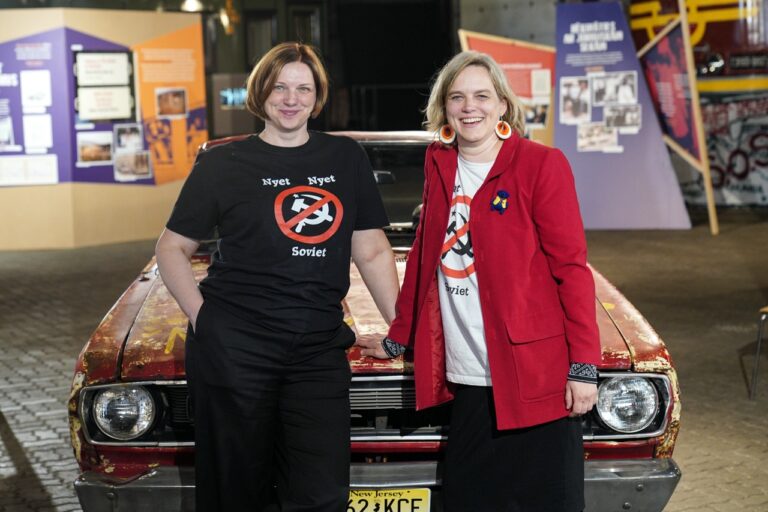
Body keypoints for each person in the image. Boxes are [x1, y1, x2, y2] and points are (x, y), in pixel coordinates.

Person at [155, 42, 399, 512]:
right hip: (236, 347)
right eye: (280, 87)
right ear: (261, 92)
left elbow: (370, 250)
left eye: (303, 88)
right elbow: (172, 248)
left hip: (317, 349)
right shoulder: (223, 164)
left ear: (317, 95)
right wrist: (205, 320)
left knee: (321, 492)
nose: (291, 98)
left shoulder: (344, 158)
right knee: (236, 491)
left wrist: (401, 326)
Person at [358, 51, 601, 512]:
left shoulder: (541, 165)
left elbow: (571, 270)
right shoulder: (440, 165)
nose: (470, 107)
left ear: (503, 105)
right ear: (444, 108)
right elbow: (427, 262)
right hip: (467, 378)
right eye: (458, 97)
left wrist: (583, 366)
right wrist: (397, 339)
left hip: (536, 378)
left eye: (482, 96)